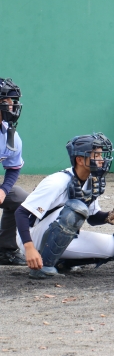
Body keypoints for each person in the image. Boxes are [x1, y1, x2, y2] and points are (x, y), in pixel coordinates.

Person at [15, 133, 114, 279]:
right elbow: (21, 213)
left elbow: (92, 217)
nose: (101, 160)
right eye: (96, 155)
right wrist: (29, 248)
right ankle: (43, 268)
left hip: (59, 236)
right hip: (32, 236)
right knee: (76, 208)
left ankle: (60, 263)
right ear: (79, 160)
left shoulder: (91, 180)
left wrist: (110, 217)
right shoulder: (56, 182)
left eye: (101, 155)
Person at [0, 78, 28, 266]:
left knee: (20, 197)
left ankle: (5, 250)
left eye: (13, 100)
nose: (11, 105)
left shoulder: (10, 135)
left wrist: (3, 190)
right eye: (5, 101)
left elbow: (13, 168)